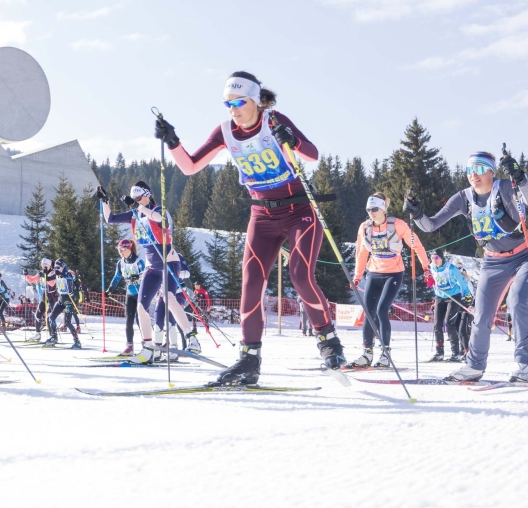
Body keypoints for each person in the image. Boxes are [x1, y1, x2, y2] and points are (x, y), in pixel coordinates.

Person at [155, 71, 346, 385]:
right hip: (263, 216)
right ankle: (249, 360)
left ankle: (328, 342)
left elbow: (312, 154)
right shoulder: (225, 131)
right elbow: (189, 166)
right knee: (251, 284)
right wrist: (173, 142)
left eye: (239, 101)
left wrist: (292, 140)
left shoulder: (273, 121)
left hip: (299, 210)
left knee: (300, 274)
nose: (233, 109)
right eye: (227, 103)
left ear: (256, 101)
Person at [405, 150, 528, 383]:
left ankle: (522, 365)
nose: (474, 175)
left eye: (480, 169)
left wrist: (520, 178)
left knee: (517, 300)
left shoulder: (506, 187)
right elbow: (430, 225)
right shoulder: (463, 198)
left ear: (492, 171)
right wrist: (417, 213)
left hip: (526, 256)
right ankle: (474, 367)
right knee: (481, 314)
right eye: (470, 170)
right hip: (493, 261)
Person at [99, 181, 198, 364]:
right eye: (134, 198)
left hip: (169, 262)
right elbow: (110, 219)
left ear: (148, 195)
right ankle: (147, 349)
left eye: (139, 197)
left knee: (169, 297)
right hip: (152, 267)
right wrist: (105, 201)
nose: (137, 201)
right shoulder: (135, 214)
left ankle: (191, 338)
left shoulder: (159, 210)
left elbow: (159, 220)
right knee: (141, 308)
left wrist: (137, 206)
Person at [348, 193, 430, 368]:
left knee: (381, 310)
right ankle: (367, 353)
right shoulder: (364, 228)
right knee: (368, 313)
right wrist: (357, 276)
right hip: (374, 273)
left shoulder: (398, 225)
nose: (371, 212)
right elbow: (361, 253)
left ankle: (385, 354)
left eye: (375, 209)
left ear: (383, 209)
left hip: (393, 274)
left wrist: (426, 267)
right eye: (368, 209)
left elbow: (417, 246)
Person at [428, 252, 473, 362]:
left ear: (442, 258)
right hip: (440, 296)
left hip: (453, 296)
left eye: (437, 257)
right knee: (437, 324)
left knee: (449, 323)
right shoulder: (431, 268)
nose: (434, 260)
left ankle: (455, 353)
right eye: (432, 258)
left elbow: (462, 281)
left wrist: (467, 295)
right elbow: (432, 281)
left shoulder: (451, 268)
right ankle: (439, 352)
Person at [107, 239, 145, 355]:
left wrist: (137, 277)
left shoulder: (139, 261)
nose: (120, 252)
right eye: (119, 250)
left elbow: (146, 275)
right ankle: (129, 347)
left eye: (122, 250)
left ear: (129, 249)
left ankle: (147, 345)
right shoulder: (121, 263)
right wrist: (110, 289)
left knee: (141, 321)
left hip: (141, 294)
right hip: (130, 293)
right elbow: (117, 277)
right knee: (129, 321)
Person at [45, 258, 82, 348]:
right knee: (51, 318)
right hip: (61, 299)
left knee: (67, 322)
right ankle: (54, 337)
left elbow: (70, 285)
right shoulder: (56, 274)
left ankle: (77, 341)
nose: (57, 268)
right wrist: (45, 272)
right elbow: (48, 279)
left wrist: (61, 275)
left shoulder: (68, 275)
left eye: (59, 267)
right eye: (55, 267)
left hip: (69, 301)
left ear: (63, 267)